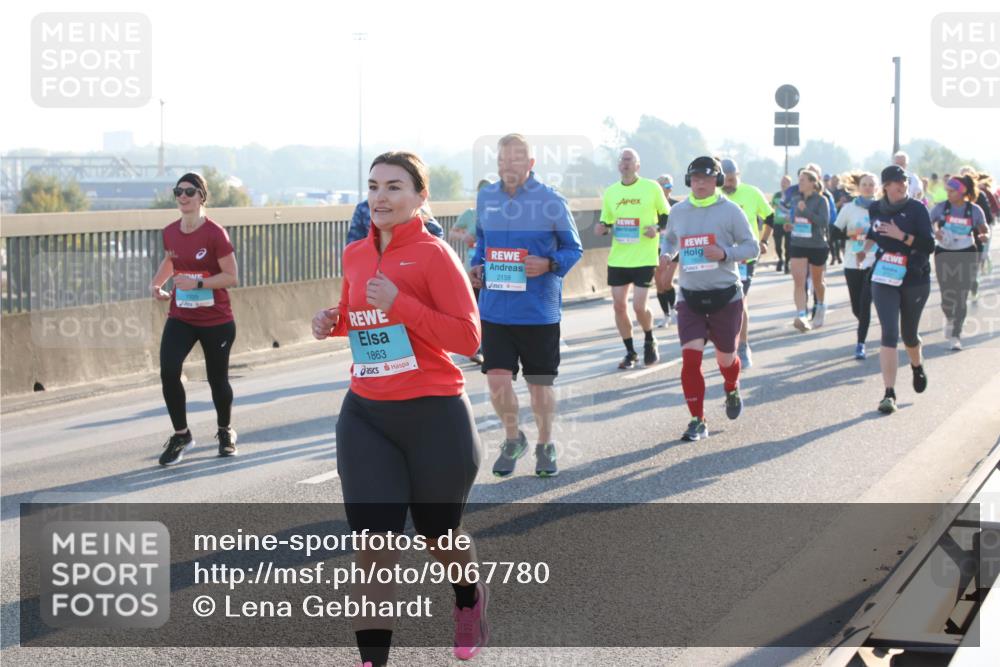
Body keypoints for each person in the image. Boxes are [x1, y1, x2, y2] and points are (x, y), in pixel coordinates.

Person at [312, 151, 488, 665]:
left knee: (439, 537)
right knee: (373, 551)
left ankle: (468, 597)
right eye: (373, 187)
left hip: (434, 414)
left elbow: (468, 337)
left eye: (394, 187)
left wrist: (400, 303)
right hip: (367, 414)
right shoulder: (355, 254)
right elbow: (360, 314)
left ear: (419, 197)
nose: (381, 197)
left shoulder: (435, 255)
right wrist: (333, 321)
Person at [470, 134, 583, 478]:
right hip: (495, 309)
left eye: (515, 161)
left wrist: (548, 264)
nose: (507, 167)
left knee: (539, 386)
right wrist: (476, 266)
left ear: (531, 164)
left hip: (537, 312)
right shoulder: (486, 197)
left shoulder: (551, 201)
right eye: (502, 161)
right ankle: (513, 438)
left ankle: (545, 444)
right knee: (497, 383)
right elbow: (482, 243)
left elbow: (573, 249)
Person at [661, 156, 759, 441]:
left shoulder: (730, 211)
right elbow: (670, 239)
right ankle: (697, 419)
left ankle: (731, 387)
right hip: (690, 296)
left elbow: (751, 246)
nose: (700, 184)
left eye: (706, 178)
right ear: (689, 181)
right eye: (695, 179)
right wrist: (666, 254)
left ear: (716, 181)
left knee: (726, 359)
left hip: (725, 296)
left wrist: (725, 253)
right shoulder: (678, 211)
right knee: (690, 360)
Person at [149, 172, 239, 465]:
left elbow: (231, 276)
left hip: (216, 320)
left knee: (217, 381)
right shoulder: (170, 231)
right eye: (178, 192)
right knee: (168, 370)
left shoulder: (215, 233)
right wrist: (158, 284)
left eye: (189, 191)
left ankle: (225, 431)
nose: (183, 197)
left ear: (202, 196)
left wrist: (198, 284)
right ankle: (181, 434)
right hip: (182, 316)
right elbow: (171, 259)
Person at [858, 165, 935, 414]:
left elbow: (929, 244)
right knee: (889, 334)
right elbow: (873, 230)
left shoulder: (917, 208)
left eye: (903, 180)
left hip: (914, 277)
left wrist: (901, 235)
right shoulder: (875, 208)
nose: (900, 184)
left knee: (909, 334)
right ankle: (889, 393)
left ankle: (916, 365)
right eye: (894, 181)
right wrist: (865, 248)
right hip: (884, 276)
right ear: (886, 186)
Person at [596, 148, 671, 369]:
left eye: (629, 160)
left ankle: (649, 338)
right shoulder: (611, 192)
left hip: (645, 256)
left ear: (637, 165)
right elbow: (607, 222)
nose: (625, 164)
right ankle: (630, 352)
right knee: (619, 306)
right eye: (622, 160)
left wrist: (657, 228)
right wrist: (602, 228)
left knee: (639, 306)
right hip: (619, 258)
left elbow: (668, 216)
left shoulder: (651, 187)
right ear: (618, 166)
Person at [719, 158, 773, 368]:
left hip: (744, 257)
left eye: (732, 180)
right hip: (720, 256)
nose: (728, 185)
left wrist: (764, 240)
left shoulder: (752, 193)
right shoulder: (715, 195)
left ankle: (743, 345)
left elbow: (769, 216)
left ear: (738, 175)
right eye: (725, 181)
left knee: (740, 300)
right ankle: (725, 343)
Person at [929, 175, 990, 350]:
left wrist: (983, 236)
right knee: (947, 295)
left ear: (962, 191)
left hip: (967, 252)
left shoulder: (974, 210)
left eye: (952, 190)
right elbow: (928, 223)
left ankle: (956, 334)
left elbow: (983, 229)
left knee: (961, 295)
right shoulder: (941, 208)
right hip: (944, 253)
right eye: (947, 190)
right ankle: (949, 317)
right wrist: (936, 232)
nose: (948, 193)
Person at [834, 172, 878, 359]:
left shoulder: (882, 208)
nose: (868, 187)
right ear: (859, 187)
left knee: (865, 303)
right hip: (852, 262)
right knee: (856, 308)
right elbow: (834, 232)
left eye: (871, 184)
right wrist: (853, 235)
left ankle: (861, 343)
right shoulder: (849, 208)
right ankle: (865, 324)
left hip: (875, 261)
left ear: (877, 188)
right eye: (865, 184)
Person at [450, 179, 491, 364]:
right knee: (474, 310)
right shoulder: (470, 214)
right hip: (471, 270)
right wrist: (464, 236)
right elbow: (452, 233)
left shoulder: (498, 216)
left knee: (487, 311)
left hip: (493, 271)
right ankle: (476, 348)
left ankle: (487, 347)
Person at [785, 169, 830, 331]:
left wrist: (806, 211)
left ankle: (820, 306)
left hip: (817, 245)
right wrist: (791, 225)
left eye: (803, 180)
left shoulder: (821, 200)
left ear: (813, 182)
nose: (800, 183)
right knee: (799, 281)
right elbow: (798, 219)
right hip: (798, 243)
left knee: (817, 282)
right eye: (799, 179)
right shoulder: (796, 199)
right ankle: (801, 315)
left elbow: (823, 222)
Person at [346, 198, 444, 244]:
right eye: (373, 187)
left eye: (393, 187)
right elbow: (353, 246)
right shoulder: (363, 208)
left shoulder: (416, 207)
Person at [655, 174, 682, 326]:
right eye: (664, 186)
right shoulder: (651, 206)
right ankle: (665, 316)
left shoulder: (676, 206)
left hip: (673, 247)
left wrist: (660, 229)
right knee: (659, 283)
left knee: (667, 281)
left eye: (669, 186)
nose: (668, 189)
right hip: (654, 248)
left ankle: (674, 311)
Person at [770, 175, 792, 273]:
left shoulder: (792, 195)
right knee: (778, 245)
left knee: (788, 245)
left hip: (789, 224)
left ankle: (787, 263)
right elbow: (771, 208)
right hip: (778, 223)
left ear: (789, 184)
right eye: (782, 182)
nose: (783, 183)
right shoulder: (777, 195)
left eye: (786, 182)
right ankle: (780, 259)